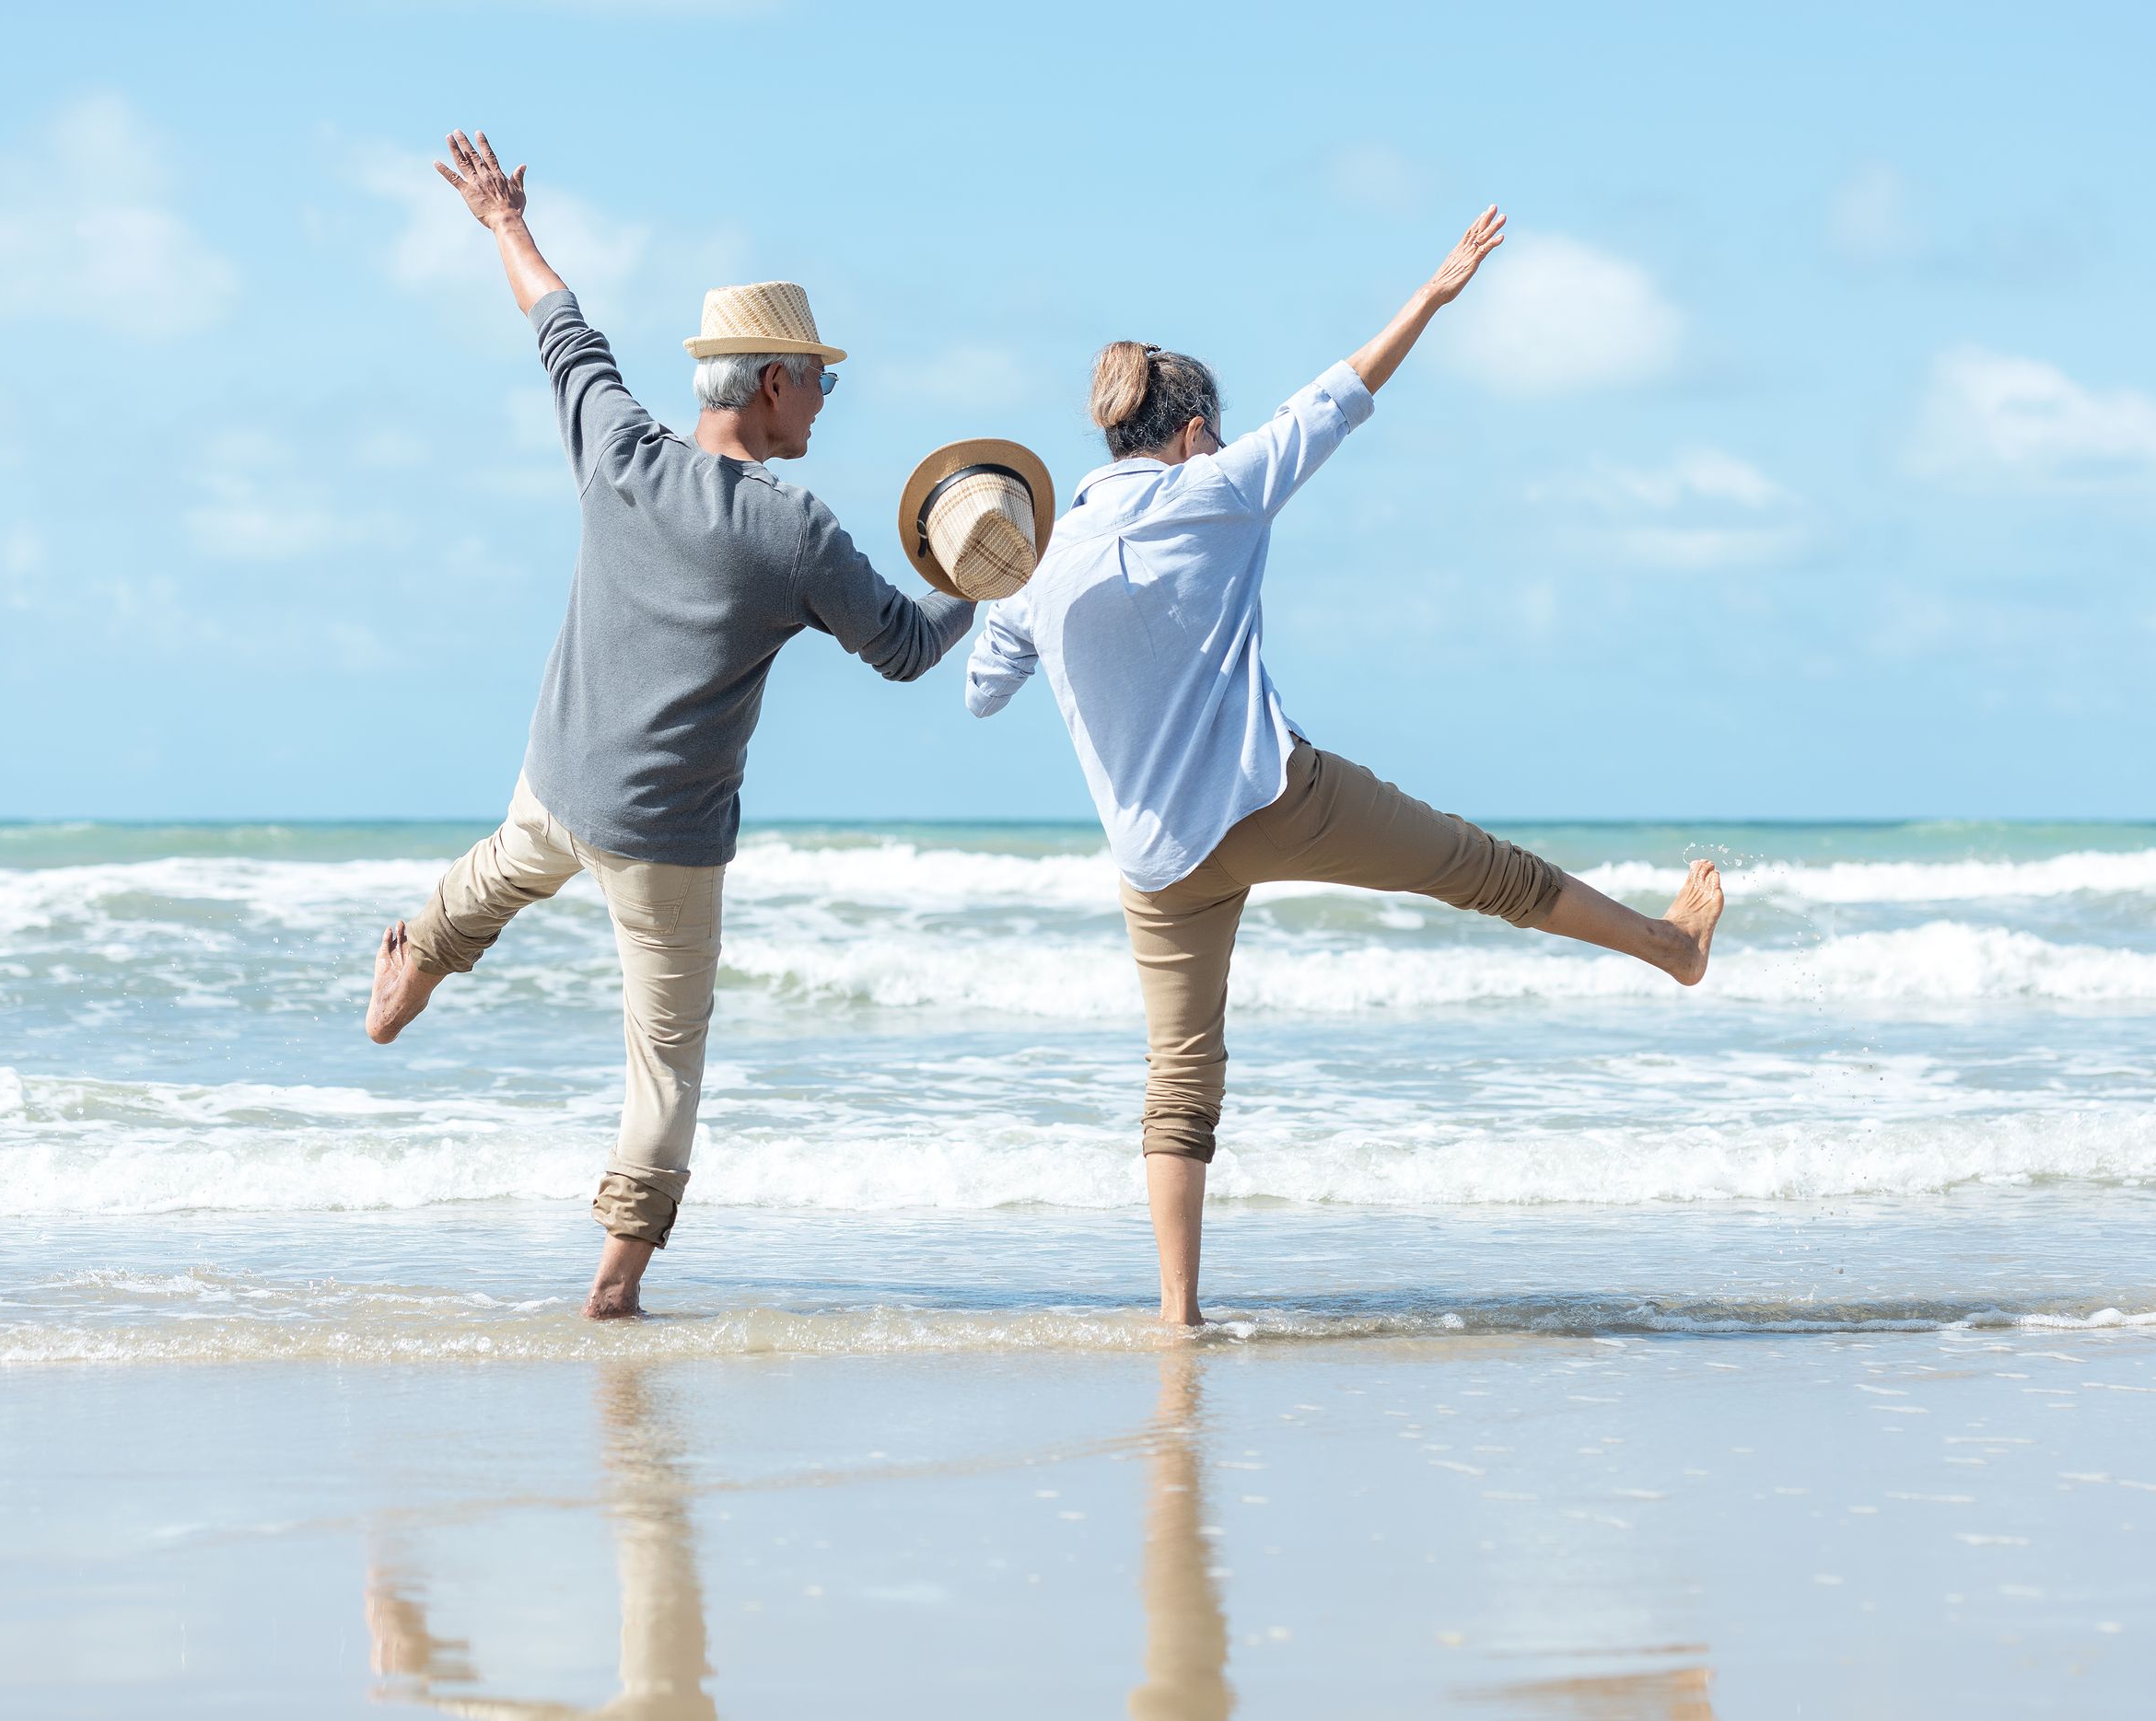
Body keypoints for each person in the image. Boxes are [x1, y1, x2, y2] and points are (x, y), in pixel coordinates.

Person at [964, 207, 1726, 1326]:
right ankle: (1669, 949)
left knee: (1178, 1078)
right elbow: (1335, 399)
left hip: (1157, 858)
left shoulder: (1041, 564)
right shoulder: (1214, 492)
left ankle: (1177, 1316)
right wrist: (1434, 294)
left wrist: (988, 568)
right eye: (1213, 435)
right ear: (1190, 434)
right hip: (1272, 799)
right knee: (1486, 873)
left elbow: (984, 688)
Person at [364, 133, 979, 1319]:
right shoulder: (794, 531)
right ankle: (614, 1283)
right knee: (665, 1063)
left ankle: (409, 972)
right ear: (769, 386)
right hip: (667, 841)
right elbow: (905, 649)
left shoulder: (618, 447)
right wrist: (985, 582)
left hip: (560, 783)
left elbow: (560, 319)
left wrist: (501, 220)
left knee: (498, 872)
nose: (823, 400)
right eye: (818, 379)